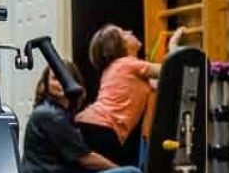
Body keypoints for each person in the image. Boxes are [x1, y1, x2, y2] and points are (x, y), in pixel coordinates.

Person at [22, 63, 144, 173]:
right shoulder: (50, 115)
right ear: (46, 84)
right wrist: (117, 171)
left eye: (66, 77)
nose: (62, 81)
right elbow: (86, 159)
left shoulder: (57, 113)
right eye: (56, 78)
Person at [77, 24, 180, 163]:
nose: (130, 31)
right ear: (119, 45)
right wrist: (173, 45)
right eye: (124, 33)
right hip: (101, 129)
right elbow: (171, 69)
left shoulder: (119, 70)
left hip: (91, 125)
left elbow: (160, 83)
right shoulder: (128, 64)